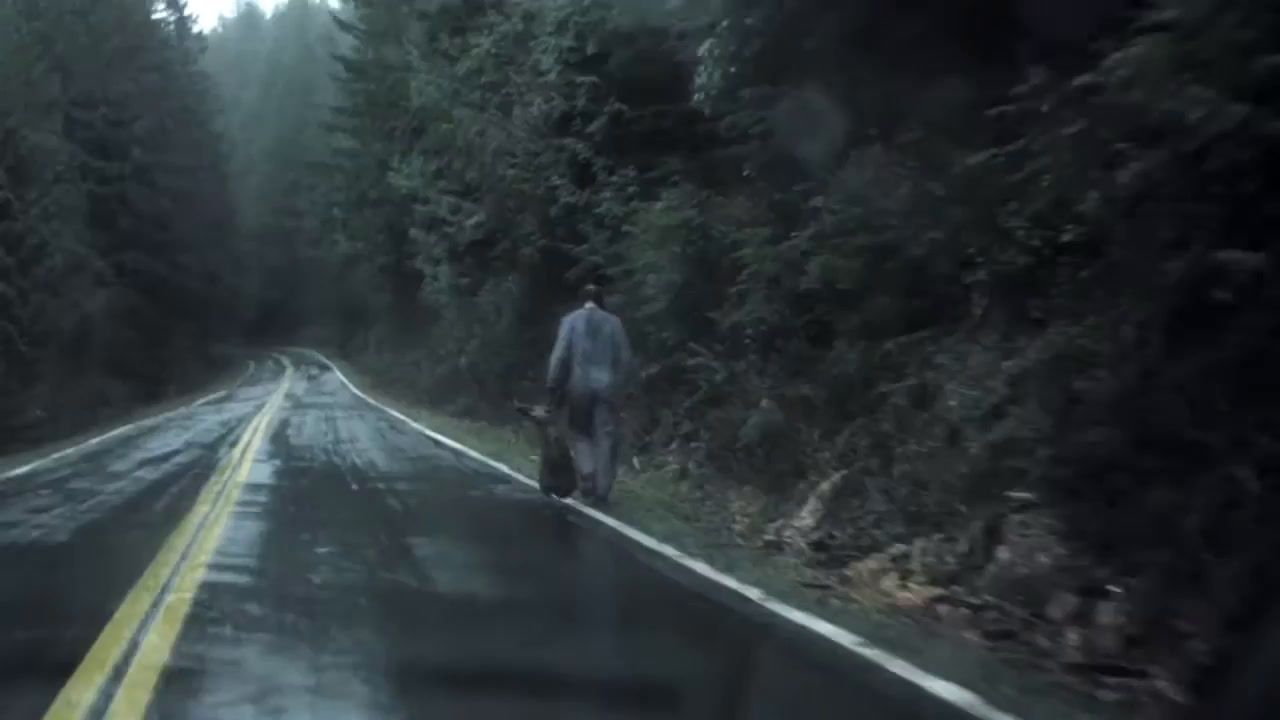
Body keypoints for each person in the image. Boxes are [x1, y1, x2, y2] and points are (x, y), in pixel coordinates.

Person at [546, 284, 633, 506]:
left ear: (582, 300)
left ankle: (587, 474)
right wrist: (620, 386)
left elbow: (560, 355)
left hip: (579, 387)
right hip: (607, 387)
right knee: (605, 435)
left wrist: (553, 383)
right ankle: (602, 489)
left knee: (580, 432)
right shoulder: (614, 323)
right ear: (601, 301)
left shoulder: (571, 321)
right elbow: (624, 359)